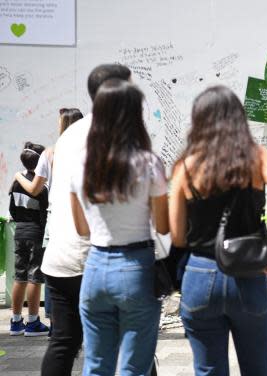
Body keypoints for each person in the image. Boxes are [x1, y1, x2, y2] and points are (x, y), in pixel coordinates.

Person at [169, 85, 267, 375]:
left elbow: (177, 235)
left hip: (200, 275)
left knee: (208, 369)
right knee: (259, 369)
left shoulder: (186, 166)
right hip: (248, 272)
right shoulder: (257, 156)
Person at [69, 79, 168, 375]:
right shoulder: (149, 163)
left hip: (95, 268)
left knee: (96, 364)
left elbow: (81, 228)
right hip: (136, 267)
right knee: (134, 367)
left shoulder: (81, 164)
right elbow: (162, 226)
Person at [40, 64, 132, 376]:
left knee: (64, 342)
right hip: (98, 258)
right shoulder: (116, 134)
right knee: (131, 343)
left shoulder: (69, 136)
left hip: (60, 256)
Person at [15, 108, 84, 332]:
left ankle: (56, 323)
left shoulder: (51, 152)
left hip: (56, 217)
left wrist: (17, 176)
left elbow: (34, 189)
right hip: (83, 213)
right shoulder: (91, 151)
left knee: (54, 268)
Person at [8, 142, 49, 336]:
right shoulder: (39, 186)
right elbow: (44, 212)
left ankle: (16, 322)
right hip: (36, 233)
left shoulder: (16, 182)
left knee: (20, 275)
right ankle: (33, 322)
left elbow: (12, 210)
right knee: (35, 276)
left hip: (20, 231)